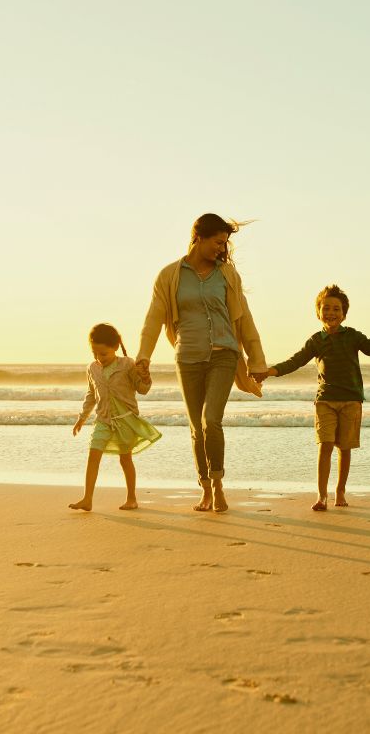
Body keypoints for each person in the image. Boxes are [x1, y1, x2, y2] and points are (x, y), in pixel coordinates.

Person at [137, 214, 267, 513]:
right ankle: (205, 488)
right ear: (199, 237)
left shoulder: (228, 276)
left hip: (224, 354)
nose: (222, 249)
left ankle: (219, 485)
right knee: (197, 427)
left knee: (211, 420)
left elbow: (244, 319)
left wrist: (256, 360)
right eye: (218, 242)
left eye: (225, 244)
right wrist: (144, 356)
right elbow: (154, 318)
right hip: (188, 357)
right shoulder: (169, 276)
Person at [255, 285, 370, 511]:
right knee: (325, 445)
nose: (331, 313)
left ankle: (340, 491)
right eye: (326, 308)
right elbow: (295, 361)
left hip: (351, 400)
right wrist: (269, 372)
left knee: (344, 448)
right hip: (325, 400)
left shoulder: (353, 336)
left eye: (336, 309)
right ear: (318, 312)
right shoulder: (316, 340)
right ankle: (321, 495)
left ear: (344, 313)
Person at [70, 323, 160, 512]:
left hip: (125, 420)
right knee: (93, 456)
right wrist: (82, 418)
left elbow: (142, 390)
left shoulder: (127, 364)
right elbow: (91, 395)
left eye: (103, 354)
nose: (98, 358)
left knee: (125, 460)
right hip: (103, 420)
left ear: (115, 347)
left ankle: (132, 498)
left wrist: (145, 378)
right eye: (94, 353)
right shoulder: (92, 368)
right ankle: (87, 499)